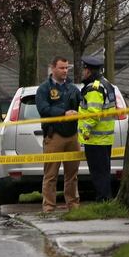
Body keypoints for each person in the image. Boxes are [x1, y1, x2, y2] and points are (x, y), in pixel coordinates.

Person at [35, 56, 82, 212]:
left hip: (72, 135)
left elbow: (81, 106)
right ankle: (48, 207)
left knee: (72, 174)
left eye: (67, 68)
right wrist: (63, 113)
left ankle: (73, 206)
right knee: (50, 175)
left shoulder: (73, 88)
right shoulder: (44, 89)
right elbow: (43, 109)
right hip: (54, 135)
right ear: (53, 68)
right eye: (62, 68)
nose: (65, 71)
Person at [79, 55, 117, 202]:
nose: (83, 72)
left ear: (89, 71)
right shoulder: (106, 83)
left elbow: (94, 114)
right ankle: (105, 198)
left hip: (95, 139)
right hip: (105, 138)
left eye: (84, 69)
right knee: (104, 171)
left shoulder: (94, 88)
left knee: (98, 173)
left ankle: (103, 200)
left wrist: (86, 131)